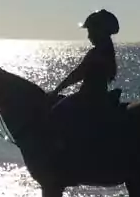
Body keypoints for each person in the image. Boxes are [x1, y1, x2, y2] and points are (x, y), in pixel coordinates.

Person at [49, 9, 121, 149]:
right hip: (101, 96)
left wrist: (56, 90)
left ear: (98, 31)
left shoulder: (96, 53)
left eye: (90, 31)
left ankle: (63, 152)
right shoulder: (107, 51)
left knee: (56, 113)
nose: (88, 36)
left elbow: (77, 74)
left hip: (89, 97)